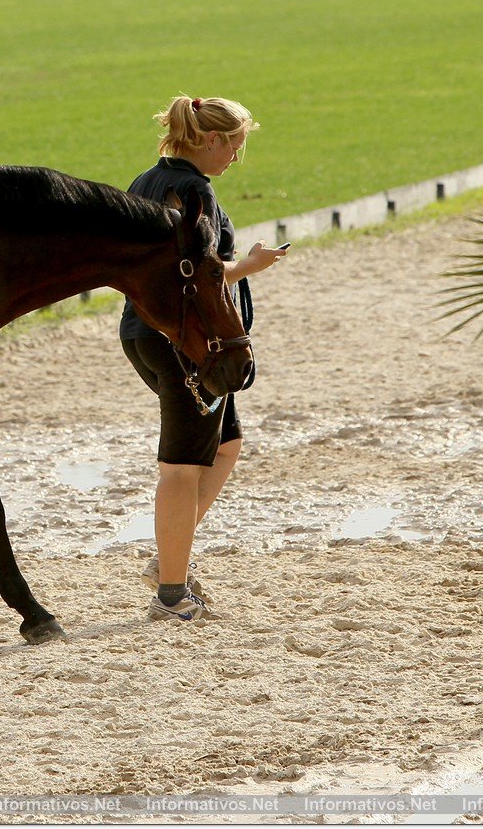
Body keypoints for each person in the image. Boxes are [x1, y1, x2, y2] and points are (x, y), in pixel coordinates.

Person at [119, 95, 288, 622]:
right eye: (234, 146)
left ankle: (169, 558)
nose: (236, 158)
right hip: (185, 342)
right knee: (182, 465)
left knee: (226, 445)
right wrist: (250, 266)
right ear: (211, 140)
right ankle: (171, 593)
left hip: (145, 332)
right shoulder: (192, 192)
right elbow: (197, 279)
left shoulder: (148, 180)